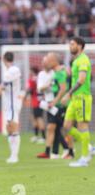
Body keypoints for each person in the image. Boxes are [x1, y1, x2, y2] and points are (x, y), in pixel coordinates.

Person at [0, 52, 23, 164]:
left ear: (3, 59)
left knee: (13, 127)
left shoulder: (12, 71)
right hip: (9, 104)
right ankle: (12, 154)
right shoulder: (10, 71)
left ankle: (14, 156)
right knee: (9, 128)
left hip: (12, 104)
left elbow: (1, 88)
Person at [61, 37, 92, 167]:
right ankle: (89, 147)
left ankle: (84, 158)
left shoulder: (83, 59)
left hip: (82, 97)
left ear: (79, 46)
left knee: (82, 127)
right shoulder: (75, 61)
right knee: (66, 127)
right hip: (75, 99)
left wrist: (68, 93)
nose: (70, 46)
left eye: (72, 44)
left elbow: (81, 80)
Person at [36, 53, 72, 159]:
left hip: (59, 104)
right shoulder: (51, 73)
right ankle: (52, 152)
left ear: (53, 61)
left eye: (47, 59)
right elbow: (41, 88)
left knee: (65, 128)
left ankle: (73, 149)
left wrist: (55, 101)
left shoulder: (60, 72)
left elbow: (63, 88)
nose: (45, 62)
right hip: (52, 104)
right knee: (53, 127)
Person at [27, 67, 46, 144]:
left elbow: (30, 90)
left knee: (39, 118)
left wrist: (25, 96)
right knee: (34, 118)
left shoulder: (32, 79)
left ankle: (43, 137)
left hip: (36, 102)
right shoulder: (40, 78)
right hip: (40, 101)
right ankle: (36, 136)